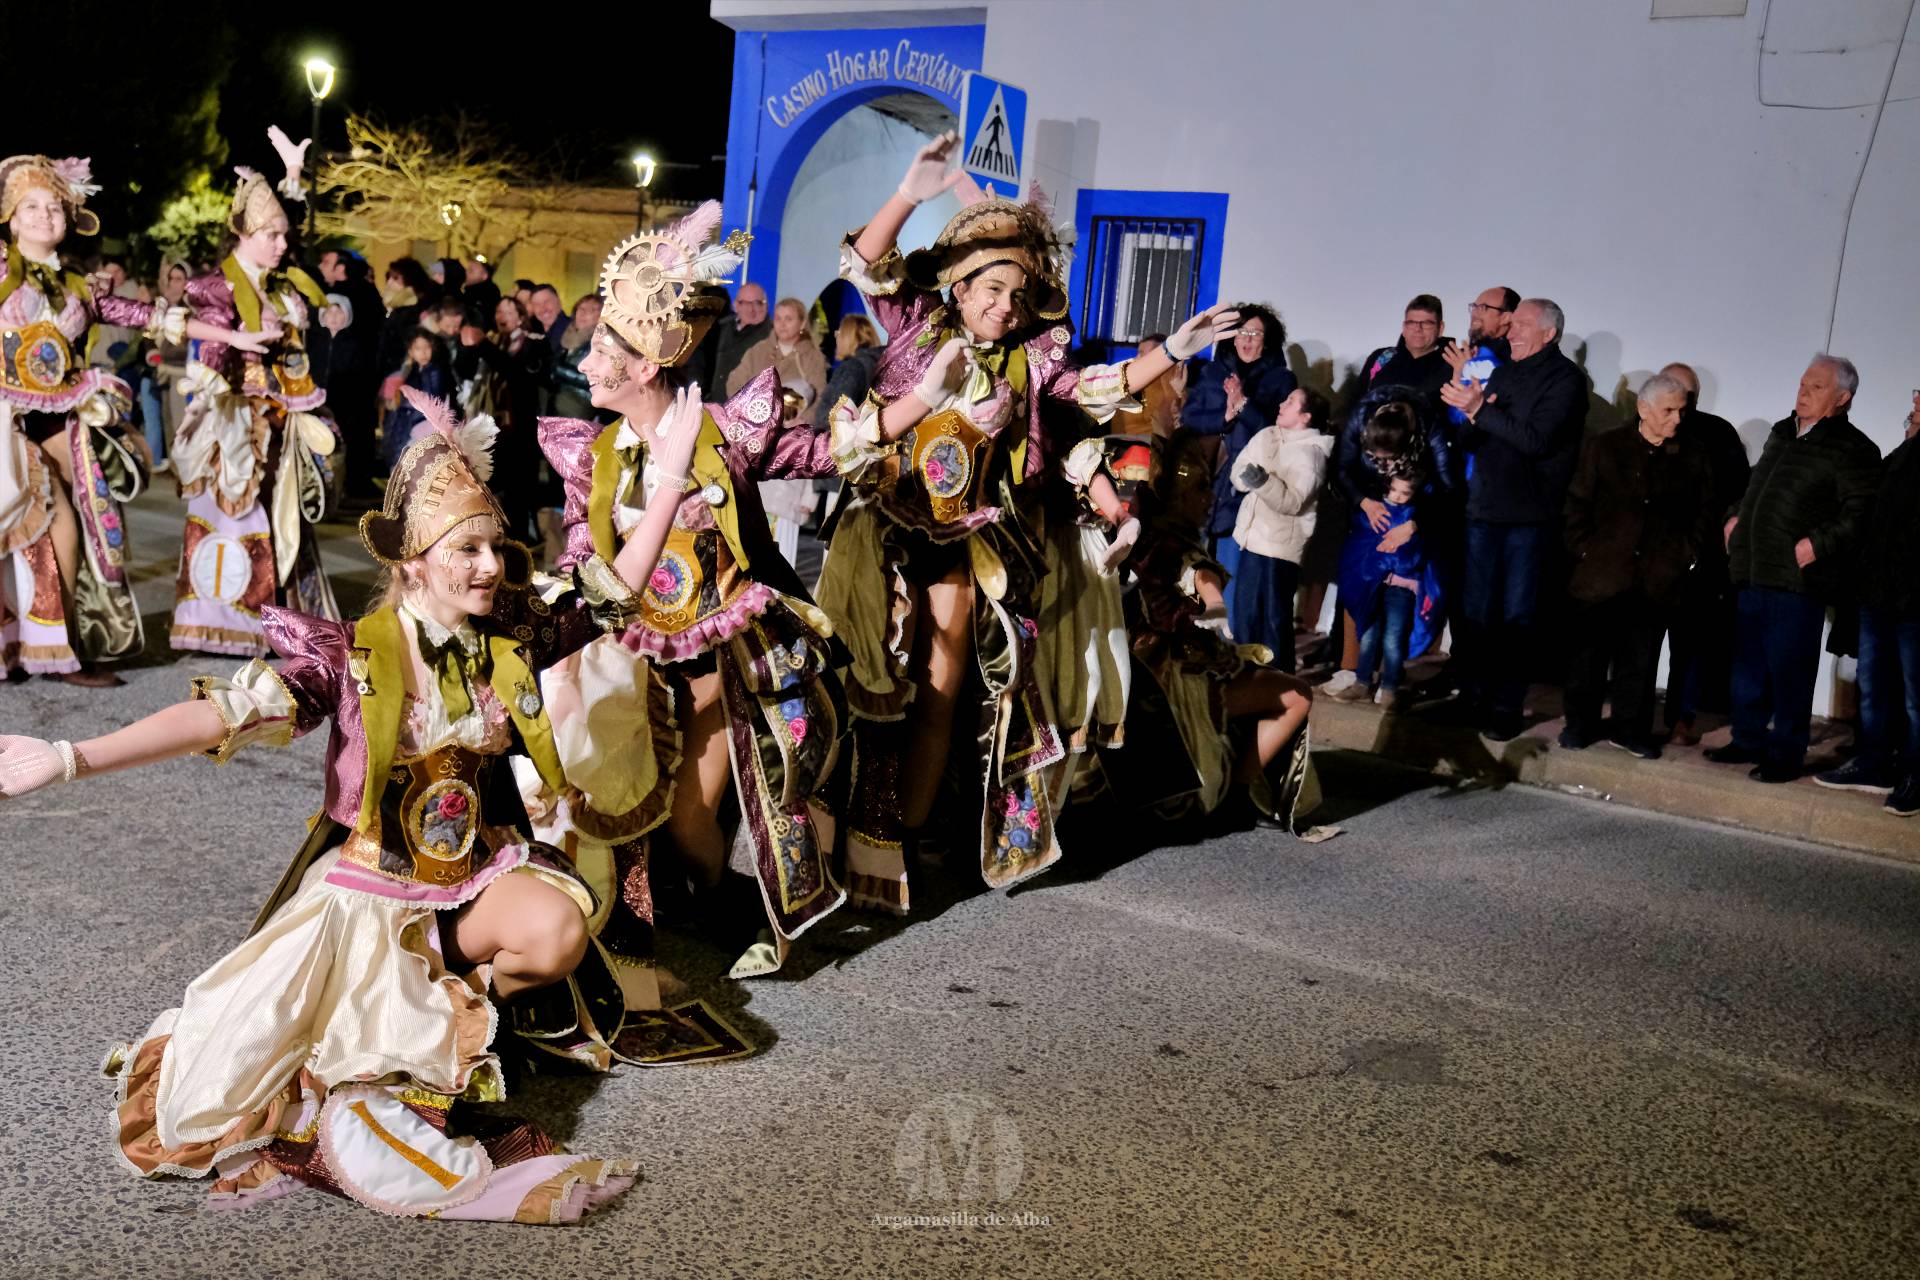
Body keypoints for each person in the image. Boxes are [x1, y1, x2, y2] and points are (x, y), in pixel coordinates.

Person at [0, 381, 730, 1219]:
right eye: (467, 550)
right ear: (413, 560)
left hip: (467, 883)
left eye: (494, 546)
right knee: (242, 1080)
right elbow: (217, 714)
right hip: (368, 901)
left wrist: (669, 474)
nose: (491, 566)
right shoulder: (349, 659)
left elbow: (608, 589)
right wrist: (67, 756)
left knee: (558, 927)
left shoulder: (507, 634)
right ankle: (366, 1056)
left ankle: (448, 1016)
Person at [818, 132, 1227, 909]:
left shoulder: (1036, 361)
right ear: (962, 286)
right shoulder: (915, 326)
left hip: (979, 544)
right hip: (885, 532)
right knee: (861, 684)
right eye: (990, 292)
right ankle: (843, 825)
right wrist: (912, 191)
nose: (1003, 308)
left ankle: (902, 842)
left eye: (1015, 297)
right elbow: (868, 262)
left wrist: (1172, 347)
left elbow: (1099, 389)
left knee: (943, 688)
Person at [539, 201, 848, 978]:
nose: (584, 360)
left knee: (685, 823)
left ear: (643, 366)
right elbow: (589, 567)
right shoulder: (596, 455)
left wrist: (922, 406)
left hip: (722, 664)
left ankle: (734, 907)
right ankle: (652, 906)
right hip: (635, 664)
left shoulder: (724, 432)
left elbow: (822, 453)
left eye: (600, 348)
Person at [101, 131, 348, 655]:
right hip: (235, 425)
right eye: (272, 236)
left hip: (283, 416)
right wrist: (229, 376)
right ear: (244, 233)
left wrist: (294, 178)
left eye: (284, 236)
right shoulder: (215, 287)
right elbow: (210, 358)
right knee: (241, 516)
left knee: (287, 520)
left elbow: (290, 233)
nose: (283, 244)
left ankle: (286, 619)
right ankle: (233, 624)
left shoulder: (283, 284)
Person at [1103, 430, 1321, 828]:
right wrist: (1217, 607)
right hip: (1184, 679)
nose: (1210, 499)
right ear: (1179, 496)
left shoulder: (1139, 535)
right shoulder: (1176, 546)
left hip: (1137, 670)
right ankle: (1236, 793)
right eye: (1202, 488)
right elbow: (1201, 577)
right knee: (1297, 695)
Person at [0, 155, 151, 686]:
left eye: (54, 208)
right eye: (31, 207)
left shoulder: (81, 287)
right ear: (12, 219)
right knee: (53, 528)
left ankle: (56, 649)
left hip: (64, 421)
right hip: (6, 424)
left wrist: (230, 336)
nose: (44, 217)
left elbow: (145, 316)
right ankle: (49, 651)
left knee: (84, 530)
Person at [1707, 355, 1880, 782]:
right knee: (1748, 666)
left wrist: (1816, 546)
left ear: (1842, 398)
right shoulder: (1783, 433)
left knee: (1790, 673)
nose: (1803, 391)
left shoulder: (1854, 449)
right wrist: (1734, 515)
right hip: (1753, 568)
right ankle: (1746, 739)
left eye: (1817, 387)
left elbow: (1860, 512)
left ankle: (1785, 755)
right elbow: (1755, 487)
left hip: (1796, 579)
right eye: (1803, 383)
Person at [1440, 297, 1586, 740]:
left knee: (1517, 618)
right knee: (1476, 614)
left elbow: (1537, 441)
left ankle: (1505, 706)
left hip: (1528, 517)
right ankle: (1472, 698)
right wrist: (1469, 411)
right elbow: (1471, 437)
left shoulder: (1566, 381)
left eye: (1522, 324)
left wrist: (1481, 410)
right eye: (1513, 324)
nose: (1512, 330)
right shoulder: (1505, 370)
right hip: (1484, 509)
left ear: (1549, 333)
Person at [1558, 373, 1717, 758]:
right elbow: (1577, 503)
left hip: (1655, 577)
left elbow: (1703, 515)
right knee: (1589, 657)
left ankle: (1630, 728)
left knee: (1641, 660)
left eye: (1681, 411)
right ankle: (1580, 724)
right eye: (1668, 410)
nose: (1677, 419)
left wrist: (1685, 558)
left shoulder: (1693, 457)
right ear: (1644, 409)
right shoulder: (1605, 447)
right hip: (1602, 573)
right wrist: (1586, 551)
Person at [1816, 390, 1919, 814]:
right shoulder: (1903, 453)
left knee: (1916, 698)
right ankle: (1874, 762)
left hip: (1914, 600)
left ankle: (1914, 775)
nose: (1913, 399)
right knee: (1875, 686)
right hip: (1879, 595)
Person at [1320, 388, 1455, 697]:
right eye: (1374, 457)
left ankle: (1391, 681)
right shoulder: (1361, 418)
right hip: (1369, 516)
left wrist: (1414, 524)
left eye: (1387, 458)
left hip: (1412, 518)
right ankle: (1354, 672)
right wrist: (1363, 501)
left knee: (1395, 620)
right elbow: (1342, 469)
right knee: (1359, 594)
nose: (1380, 462)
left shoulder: (1429, 428)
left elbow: (1450, 489)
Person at [1656, 361, 1750, 744]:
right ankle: (1636, 717)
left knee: (1688, 646)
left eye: (1687, 394)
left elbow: (1734, 494)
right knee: (1641, 641)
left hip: (1698, 559)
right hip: (1647, 557)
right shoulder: (1644, 427)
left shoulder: (1717, 433)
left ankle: (1682, 717)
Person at [1181, 301, 1296, 613]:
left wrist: (1243, 404)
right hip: (1205, 481)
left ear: (1267, 340)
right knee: (1195, 568)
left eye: (1255, 333)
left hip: (1248, 488)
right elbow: (1190, 419)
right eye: (1242, 331)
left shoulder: (1281, 380)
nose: (1247, 339)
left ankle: (1228, 643)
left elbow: (1275, 432)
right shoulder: (1211, 373)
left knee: (1233, 572)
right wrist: (1226, 417)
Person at [1226, 387, 1335, 666]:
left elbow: (1292, 502)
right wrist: (1250, 478)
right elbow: (1239, 470)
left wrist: (1262, 481)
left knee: (1274, 619)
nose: (1282, 403)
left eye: (1291, 401)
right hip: (1251, 538)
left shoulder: (1311, 455)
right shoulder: (1268, 435)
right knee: (1245, 615)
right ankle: (1247, 675)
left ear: (1306, 416)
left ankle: (1280, 680)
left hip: (1279, 549)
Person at [1337, 471, 1438, 708]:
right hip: (1373, 582)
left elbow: (1416, 554)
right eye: (1395, 490)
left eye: (1406, 493)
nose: (1399, 497)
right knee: (1369, 633)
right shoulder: (1374, 512)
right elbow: (1363, 543)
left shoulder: (1414, 518)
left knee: (1394, 637)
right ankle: (1362, 681)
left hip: (1401, 587)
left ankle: (1389, 686)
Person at [456, 295, 550, 542]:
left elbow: (519, 375)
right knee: (487, 485)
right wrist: (467, 346)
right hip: (487, 425)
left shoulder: (534, 342)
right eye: (499, 311)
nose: (502, 316)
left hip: (519, 429)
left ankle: (519, 542)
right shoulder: (490, 339)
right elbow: (465, 372)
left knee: (518, 491)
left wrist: (484, 346)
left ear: (521, 317)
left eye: (509, 311)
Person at [313, 249, 386, 503]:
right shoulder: (317, 339)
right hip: (326, 395)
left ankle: (342, 486)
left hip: (349, 395)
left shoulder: (355, 332)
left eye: (328, 263)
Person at [725, 295, 829, 413]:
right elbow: (734, 382)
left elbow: (820, 398)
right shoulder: (758, 350)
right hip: (753, 420)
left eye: (788, 319)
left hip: (791, 428)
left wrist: (802, 421)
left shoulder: (813, 357)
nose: (782, 324)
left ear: (802, 323)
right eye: (778, 318)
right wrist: (747, 409)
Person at [1357, 293, 1454, 411]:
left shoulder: (1453, 364)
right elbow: (1355, 408)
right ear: (1404, 327)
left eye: (1427, 323)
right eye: (1412, 323)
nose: (1418, 329)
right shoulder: (1380, 358)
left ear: (1440, 328)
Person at [381, 327, 455, 472]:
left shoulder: (434, 371)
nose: (423, 353)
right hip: (408, 421)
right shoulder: (409, 370)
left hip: (424, 422)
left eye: (427, 347)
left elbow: (433, 398)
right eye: (418, 348)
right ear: (410, 351)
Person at [708, 281, 770, 395]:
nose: (751, 309)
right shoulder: (720, 328)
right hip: (713, 404)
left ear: (766, 306)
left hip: (746, 405)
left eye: (757, 303)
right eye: (744, 303)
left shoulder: (772, 334)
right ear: (735, 305)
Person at [550, 293, 603, 421]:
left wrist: (557, 368)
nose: (584, 313)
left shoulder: (600, 342)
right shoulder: (567, 334)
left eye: (592, 310)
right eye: (581, 308)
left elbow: (592, 379)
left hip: (579, 407)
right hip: (556, 401)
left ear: (601, 316)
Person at [462, 255, 501, 320]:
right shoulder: (468, 290)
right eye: (467, 270)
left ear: (484, 276)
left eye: (471, 271)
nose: (466, 273)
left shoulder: (490, 292)